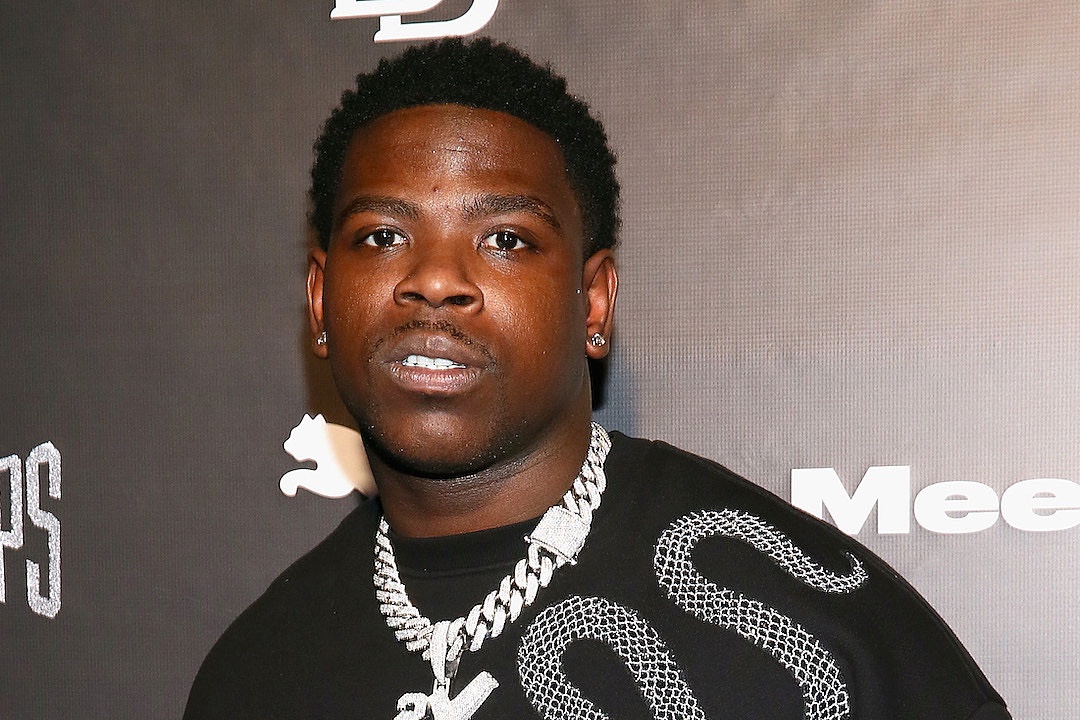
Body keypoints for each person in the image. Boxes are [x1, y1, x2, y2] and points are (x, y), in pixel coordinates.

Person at [184, 38, 1011, 720]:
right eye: (382, 237)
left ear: (595, 300)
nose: (434, 280)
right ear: (320, 298)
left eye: (505, 239)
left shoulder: (815, 630)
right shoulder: (254, 676)